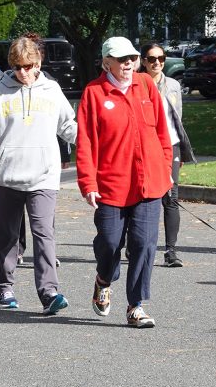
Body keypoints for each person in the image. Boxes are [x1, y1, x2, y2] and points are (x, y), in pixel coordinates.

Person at [0, 36, 77, 313]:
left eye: (28, 66)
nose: (23, 72)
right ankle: (4, 287)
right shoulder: (1, 90)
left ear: (38, 63)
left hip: (43, 176)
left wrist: (91, 138)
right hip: (7, 175)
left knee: (44, 233)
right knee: (7, 237)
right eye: (17, 67)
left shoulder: (51, 89)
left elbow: (68, 127)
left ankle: (49, 292)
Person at [76, 37, 172, 328]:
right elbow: (85, 142)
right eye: (121, 59)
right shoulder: (94, 92)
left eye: (132, 57)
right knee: (109, 242)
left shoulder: (146, 85)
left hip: (148, 182)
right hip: (111, 184)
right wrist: (88, 183)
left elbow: (162, 131)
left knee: (144, 244)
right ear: (107, 62)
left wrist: (166, 166)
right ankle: (104, 279)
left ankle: (136, 306)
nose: (128, 63)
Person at [141, 43, 196, 267]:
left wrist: (179, 150)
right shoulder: (137, 84)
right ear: (143, 61)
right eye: (152, 59)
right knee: (143, 197)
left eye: (161, 58)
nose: (157, 63)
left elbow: (177, 119)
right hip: (145, 147)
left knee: (171, 197)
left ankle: (171, 251)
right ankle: (137, 244)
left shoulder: (172, 85)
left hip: (170, 145)